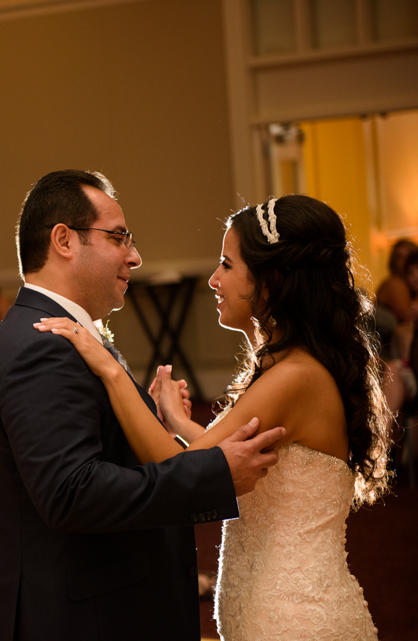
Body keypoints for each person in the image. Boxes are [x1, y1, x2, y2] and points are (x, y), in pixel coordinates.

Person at [37, 194, 391, 640]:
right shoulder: (288, 369)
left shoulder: (296, 376)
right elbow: (234, 455)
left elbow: (173, 468)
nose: (212, 279)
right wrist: (182, 426)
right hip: (271, 610)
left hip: (296, 620)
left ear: (270, 280)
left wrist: (109, 368)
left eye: (226, 264)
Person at [0, 169, 283, 641]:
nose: (134, 256)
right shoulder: (43, 344)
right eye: (118, 238)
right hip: (83, 620)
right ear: (64, 240)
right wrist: (213, 475)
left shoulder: (52, 332)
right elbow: (71, 492)